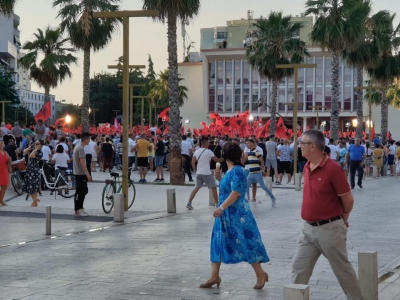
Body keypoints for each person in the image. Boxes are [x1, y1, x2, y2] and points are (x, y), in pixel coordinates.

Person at [292, 130, 364, 299]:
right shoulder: (307, 166)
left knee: (342, 271)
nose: (299, 147)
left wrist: (343, 217)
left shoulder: (333, 169)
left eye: (302, 143)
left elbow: (348, 198)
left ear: (312, 146)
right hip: (308, 230)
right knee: (299, 269)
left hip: (329, 230)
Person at [200, 142, 270, 290]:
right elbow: (229, 189)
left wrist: (221, 207)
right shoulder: (231, 171)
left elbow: (236, 193)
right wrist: (220, 179)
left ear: (225, 156)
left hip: (237, 214)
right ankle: (214, 275)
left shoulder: (237, 170)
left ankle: (260, 273)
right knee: (217, 243)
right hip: (225, 214)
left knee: (245, 243)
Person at [186, 137, 224, 210]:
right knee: (213, 187)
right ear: (205, 143)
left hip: (199, 173)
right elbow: (217, 160)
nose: (209, 144)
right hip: (206, 173)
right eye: (208, 143)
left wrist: (195, 170)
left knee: (196, 188)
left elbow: (193, 162)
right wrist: (225, 158)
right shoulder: (209, 151)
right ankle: (217, 203)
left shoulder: (197, 151)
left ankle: (189, 203)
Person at [244, 138, 276, 206]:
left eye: (248, 143)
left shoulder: (257, 151)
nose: (247, 145)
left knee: (263, 187)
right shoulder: (249, 152)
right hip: (250, 173)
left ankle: (273, 198)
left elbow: (261, 161)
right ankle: (247, 199)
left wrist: (263, 170)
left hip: (257, 173)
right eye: (246, 143)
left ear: (252, 143)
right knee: (246, 186)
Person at [73, 132, 92, 217]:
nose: (89, 141)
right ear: (85, 139)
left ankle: (80, 208)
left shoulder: (77, 147)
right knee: (81, 192)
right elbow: (82, 163)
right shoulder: (80, 148)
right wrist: (87, 174)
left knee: (83, 191)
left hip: (78, 172)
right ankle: (78, 209)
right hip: (80, 173)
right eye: (89, 139)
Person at [23, 139, 44, 207]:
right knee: (29, 186)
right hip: (29, 170)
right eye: (35, 143)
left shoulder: (40, 152)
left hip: (35, 171)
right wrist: (30, 147)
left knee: (35, 186)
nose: (36, 145)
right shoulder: (33, 149)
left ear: (41, 145)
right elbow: (24, 152)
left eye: (37, 144)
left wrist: (35, 149)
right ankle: (35, 200)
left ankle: (35, 202)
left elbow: (31, 156)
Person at [0, 140, 12, 206]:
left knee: (4, 186)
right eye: (0, 143)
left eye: (2, 143)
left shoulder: (6, 152)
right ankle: (1, 200)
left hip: (4, 169)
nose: (1, 144)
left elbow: (9, 161)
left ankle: (1, 200)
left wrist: (10, 167)